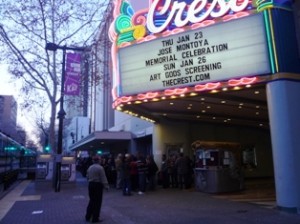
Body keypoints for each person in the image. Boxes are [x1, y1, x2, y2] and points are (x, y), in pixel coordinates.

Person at [85, 156, 109, 223]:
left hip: (90, 185)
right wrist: (106, 186)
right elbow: (103, 178)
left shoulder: (90, 167)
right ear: (98, 160)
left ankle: (88, 216)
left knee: (91, 201)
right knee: (97, 202)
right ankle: (95, 218)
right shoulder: (100, 168)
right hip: (97, 185)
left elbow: (87, 176)